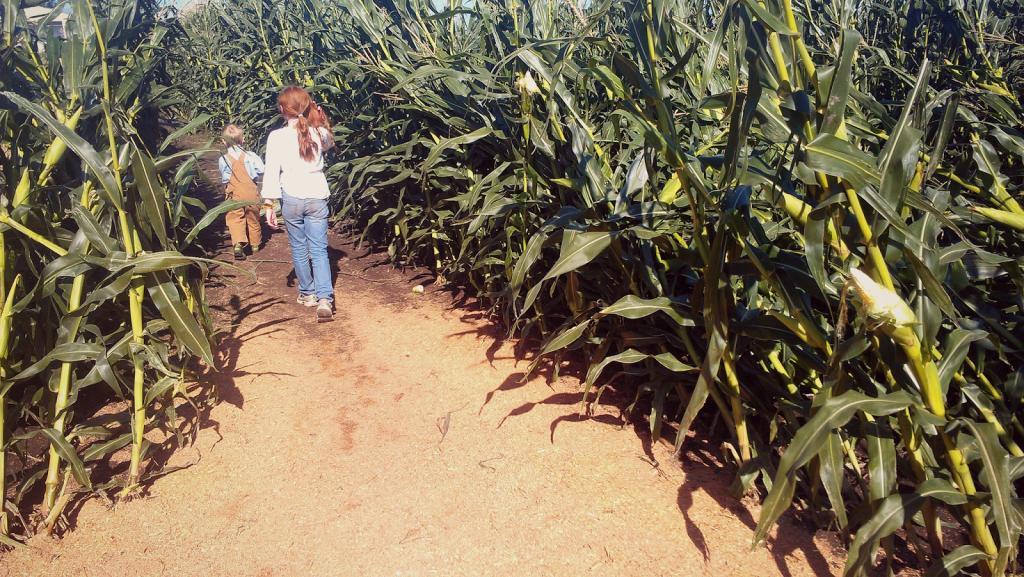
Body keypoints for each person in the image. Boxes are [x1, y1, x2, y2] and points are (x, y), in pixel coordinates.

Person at [260, 85, 336, 323]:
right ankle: (325, 299)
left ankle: (308, 293)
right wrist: (320, 120)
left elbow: (271, 170)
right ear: (306, 106)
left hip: (291, 197)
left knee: (299, 248)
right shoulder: (318, 133)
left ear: (283, 109)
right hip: (317, 196)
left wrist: (268, 204)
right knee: (320, 249)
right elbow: (329, 143)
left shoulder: (276, 136)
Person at [218, 124, 266, 261]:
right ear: (243, 139)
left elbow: (225, 177)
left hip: (233, 192)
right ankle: (255, 245)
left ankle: (238, 245)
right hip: (250, 191)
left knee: (235, 218)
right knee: (253, 216)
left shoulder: (223, 159)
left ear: (223, 141)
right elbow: (262, 169)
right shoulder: (251, 156)